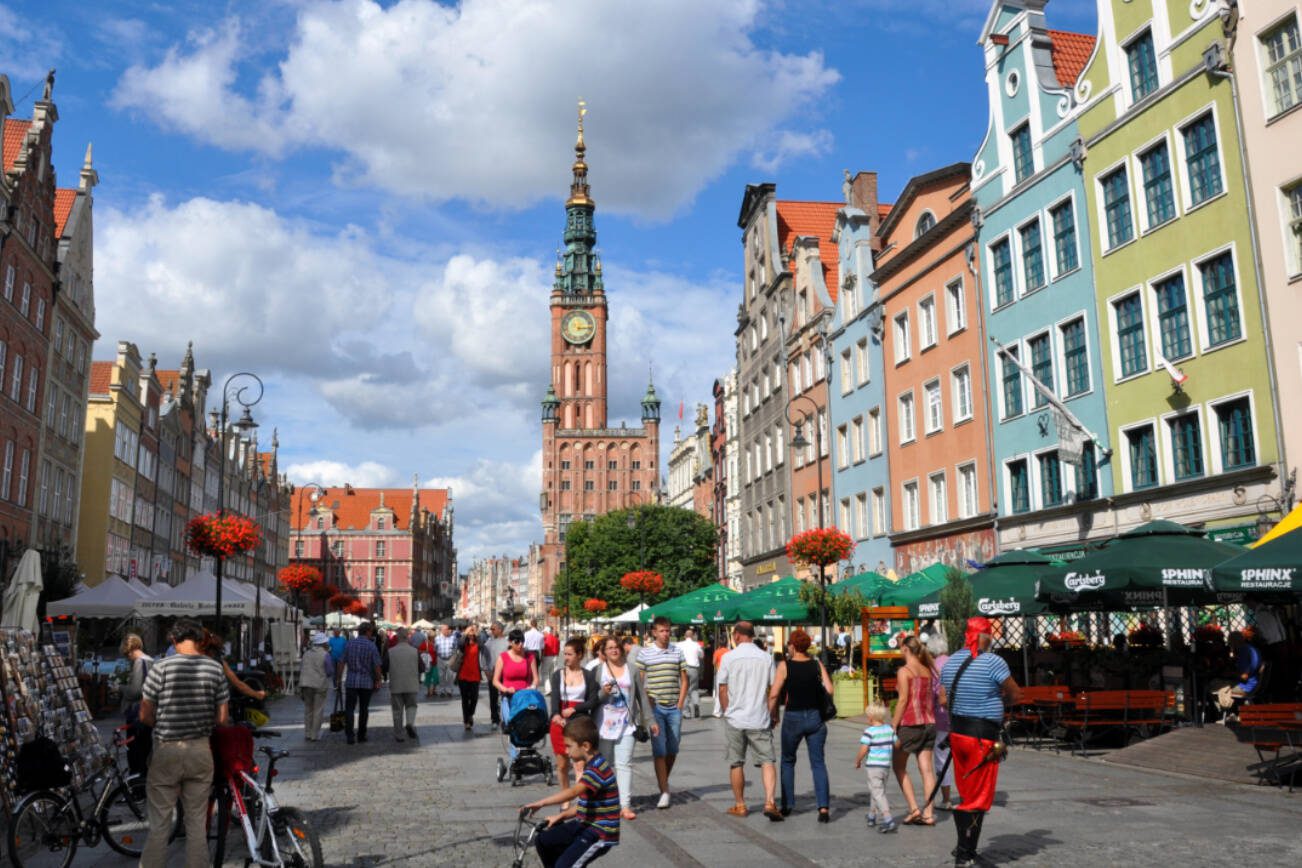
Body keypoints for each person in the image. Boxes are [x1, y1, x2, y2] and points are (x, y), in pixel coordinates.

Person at [138, 619, 229, 868]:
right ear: (199, 640)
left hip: (167, 748)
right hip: (200, 750)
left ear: (174, 641)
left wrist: (164, 723)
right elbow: (222, 719)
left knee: (160, 824)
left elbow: (144, 715)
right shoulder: (214, 669)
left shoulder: (160, 668)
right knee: (197, 823)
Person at [939, 617, 1020, 867]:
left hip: (958, 735)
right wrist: (995, 700)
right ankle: (965, 853)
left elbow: (943, 700)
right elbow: (1016, 694)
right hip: (981, 737)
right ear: (986, 636)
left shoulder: (951, 661)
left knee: (967, 793)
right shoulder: (993, 661)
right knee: (979, 796)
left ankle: (966, 847)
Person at [523, 715, 619, 867]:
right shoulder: (591, 765)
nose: (566, 751)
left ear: (585, 746)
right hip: (584, 823)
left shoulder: (598, 768)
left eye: (569, 746)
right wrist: (560, 816)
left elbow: (574, 792)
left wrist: (541, 803)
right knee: (543, 841)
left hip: (600, 832)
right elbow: (584, 805)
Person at [715, 621, 781, 821]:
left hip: (736, 718)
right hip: (759, 718)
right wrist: (773, 713)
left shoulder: (728, 658)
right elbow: (773, 691)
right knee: (768, 760)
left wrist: (727, 711)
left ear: (736, 636)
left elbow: (723, 688)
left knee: (736, 762)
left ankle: (740, 805)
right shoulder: (766, 657)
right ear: (752, 635)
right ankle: (769, 801)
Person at [769, 628, 834, 822]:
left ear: (792, 645)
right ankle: (823, 808)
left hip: (793, 717)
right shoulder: (816, 664)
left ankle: (788, 805)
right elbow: (829, 689)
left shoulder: (785, 666)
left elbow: (774, 694)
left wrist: (772, 715)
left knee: (788, 760)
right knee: (818, 763)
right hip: (815, 717)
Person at [595, 634, 654, 821]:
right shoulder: (598, 670)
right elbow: (593, 698)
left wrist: (650, 721)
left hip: (626, 724)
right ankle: (605, 802)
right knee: (604, 766)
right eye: (610, 648)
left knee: (624, 764)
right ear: (604, 652)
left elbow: (641, 697)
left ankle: (625, 805)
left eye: (616, 647)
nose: (614, 650)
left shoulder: (632, 669)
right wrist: (602, 693)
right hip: (603, 725)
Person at [640, 616, 688, 809]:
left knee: (673, 748)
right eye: (662, 631)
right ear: (654, 632)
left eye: (668, 630)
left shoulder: (677, 651)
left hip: (674, 706)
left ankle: (663, 781)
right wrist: (645, 703)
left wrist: (681, 703)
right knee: (660, 749)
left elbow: (684, 679)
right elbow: (639, 680)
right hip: (656, 708)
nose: (666, 634)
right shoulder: (645, 653)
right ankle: (665, 790)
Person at [892, 634, 939, 826]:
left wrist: (893, 724)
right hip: (930, 724)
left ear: (905, 649)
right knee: (927, 770)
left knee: (898, 766)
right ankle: (929, 813)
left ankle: (914, 809)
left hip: (910, 725)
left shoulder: (905, 671)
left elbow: (903, 700)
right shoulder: (927, 670)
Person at [550, 637, 601, 798]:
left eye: (569, 654)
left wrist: (575, 709)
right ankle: (565, 796)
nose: (566, 658)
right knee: (562, 765)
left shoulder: (588, 675)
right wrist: (555, 714)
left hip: (579, 721)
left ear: (579, 655)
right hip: (560, 722)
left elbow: (593, 701)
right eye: (564, 654)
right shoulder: (558, 675)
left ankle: (581, 801)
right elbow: (554, 699)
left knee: (579, 765)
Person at [492, 628, 540, 756]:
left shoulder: (530, 657)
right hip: (509, 696)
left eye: (522, 641)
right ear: (510, 642)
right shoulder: (503, 658)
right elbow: (495, 681)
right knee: (512, 725)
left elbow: (536, 678)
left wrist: (533, 686)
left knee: (528, 724)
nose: (520, 645)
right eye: (517, 642)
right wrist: (505, 689)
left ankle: (526, 749)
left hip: (525, 696)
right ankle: (515, 756)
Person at [854, 701, 898, 833]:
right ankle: (872, 816)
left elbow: (863, 748)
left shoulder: (869, 731)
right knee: (877, 790)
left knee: (878, 793)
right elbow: (897, 744)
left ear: (871, 718)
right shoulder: (889, 729)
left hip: (873, 767)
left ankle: (888, 819)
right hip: (885, 766)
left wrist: (858, 760)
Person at [343, 622, 384, 744]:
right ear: (367, 632)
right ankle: (361, 735)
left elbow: (341, 662)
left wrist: (338, 677)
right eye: (371, 631)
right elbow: (377, 666)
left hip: (351, 681)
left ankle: (350, 735)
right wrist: (378, 680)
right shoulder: (371, 646)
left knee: (349, 709)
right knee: (364, 709)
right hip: (366, 682)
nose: (372, 634)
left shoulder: (349, 644)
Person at [929, 635, 957, 811]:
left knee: (942, 758)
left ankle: (946, 799)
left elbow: (932, 693)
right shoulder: (955, 662)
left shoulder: (933, 667)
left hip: (941, 718)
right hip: (961, 717)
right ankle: (971, 796)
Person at [120, 633, 154, 776]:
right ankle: (142, 781)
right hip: (148, 711)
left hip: (137, 713)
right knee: (145, 749)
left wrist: (121, 688)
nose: (128, 658)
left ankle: (136, 786)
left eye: (127, 654)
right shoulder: (151, 660)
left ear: (130, 650)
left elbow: (135, 691)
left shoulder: (140, 662)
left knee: (135, 751)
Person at [299, 632, 336, 742]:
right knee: (318, 710)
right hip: (319, 684)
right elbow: (329, 671)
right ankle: (314, 735)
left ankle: (307, 733)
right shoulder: (325, 654)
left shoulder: (306, 654)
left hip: (306, 684)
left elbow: (302, 668)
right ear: (323, 643)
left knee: (308, 709)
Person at [388, 627, 423, 741]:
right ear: (408, 637)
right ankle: (409, 723)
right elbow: (422, 667)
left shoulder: (390, 651)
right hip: (411, 684)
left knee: (397, 710)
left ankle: (398, 734)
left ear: (397, 638)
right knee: (411, 706)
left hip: (396, 685)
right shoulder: (415, 651)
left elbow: (384, 667)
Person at [457, 624, 484, 731]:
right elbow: (460, 643)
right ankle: (466, 721)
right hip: (463, 675)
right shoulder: (464, 644)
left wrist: (477, 634)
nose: (471, 634)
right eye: (470, 633)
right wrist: (465, 633)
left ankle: (470, 714)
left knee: (474, 698)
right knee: (465, 699)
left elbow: (482, 644)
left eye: (473, 633)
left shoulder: (478, 643)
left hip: (475, 675)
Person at [482, 622, 510, 725]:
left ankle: (506, 717)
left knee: (505, 696)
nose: (491, 631)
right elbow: (484, 658)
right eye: (491, 629)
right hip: (492, 673)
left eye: (493, 629)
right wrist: (485, 670)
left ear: (500, 630)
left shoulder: (507, 643)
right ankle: (494, 718)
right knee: (493, 697)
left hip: (505, 673)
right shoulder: (488, 643)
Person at [675, 627, 704, 718]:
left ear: (685, 636)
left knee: (684, 690)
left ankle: (686, 713)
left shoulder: (679, 645)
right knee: (694, 689)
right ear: (692, 636)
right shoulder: (697, 645)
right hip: (694, 669)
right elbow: (702, 656)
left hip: (683, 668)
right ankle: (696, 704)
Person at [435, 624, 457, 698]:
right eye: (445, 629)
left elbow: (455, 648)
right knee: (441, 676)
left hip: (450, 659)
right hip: (440, 659)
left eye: (448, 629)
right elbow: (435, 648)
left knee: (450, 676)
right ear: (441, 630)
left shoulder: (453, 638)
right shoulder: (437, 638)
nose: (447, 631)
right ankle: (441, 690)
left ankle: (449, 690)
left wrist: (454, 658)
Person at [712, 635, 731, 719]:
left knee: (719, 692)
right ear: (726, 643)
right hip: (729, 672)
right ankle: (728, 711)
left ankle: (717, 712)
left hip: (720, 672)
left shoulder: (717, 651)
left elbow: (713, 662)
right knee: (728, 692)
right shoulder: (729, 651)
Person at [419, 630, 440, 699]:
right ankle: (429, 691)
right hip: (428, 663)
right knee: (428, 677)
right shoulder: (425, 643)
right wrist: (425, 651)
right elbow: (419, 651)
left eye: (434, 637)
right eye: (433, 637)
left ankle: (433, 690)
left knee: (436, 677)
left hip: (435, 662)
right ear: (429, 637)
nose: (434, 638)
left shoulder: (436, 643)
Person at [541, 626, 561, 694]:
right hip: (555, 657)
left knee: (545, 673)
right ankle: (554, 688)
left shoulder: (545, 639)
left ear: (547, 632)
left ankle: (548, 689)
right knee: (553, 673)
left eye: (544, 632)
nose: (543, 634)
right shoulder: (555, 638)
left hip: (547, 656)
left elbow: (544, 649)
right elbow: (558, 648)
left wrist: (542, 657)